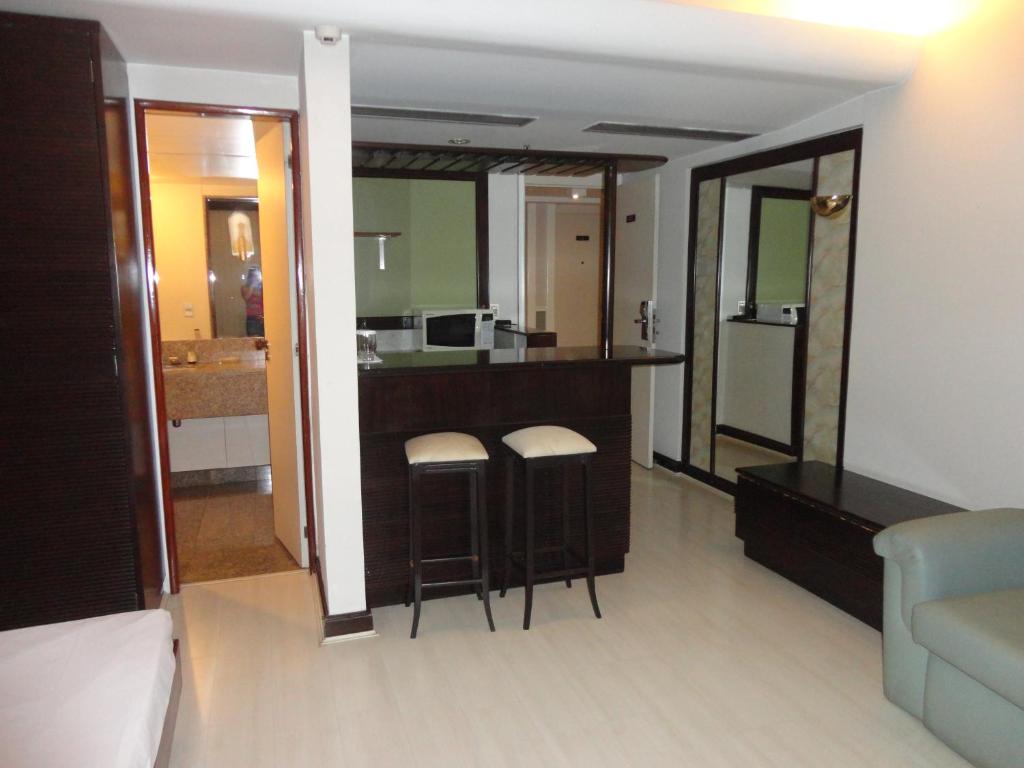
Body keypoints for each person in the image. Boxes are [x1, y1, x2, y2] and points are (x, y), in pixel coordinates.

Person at [240, 267, 264, 337]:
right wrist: (252, 284)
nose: (255, 278)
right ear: (250, 277)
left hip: (262, 318)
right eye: (253, 276)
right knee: (252, 340)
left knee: (264, 341)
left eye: (256, 276)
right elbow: (246, 297)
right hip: (251, 319)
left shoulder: (263, 287)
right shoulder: (244, 287)